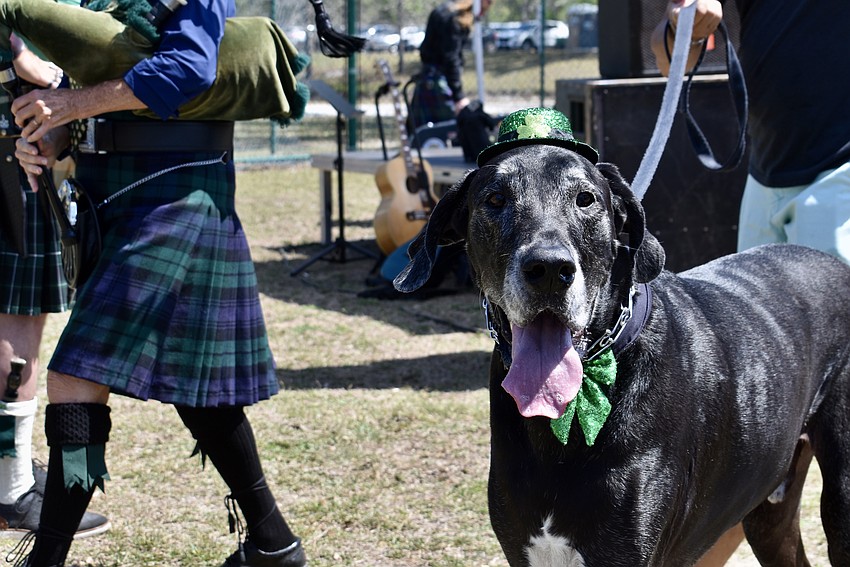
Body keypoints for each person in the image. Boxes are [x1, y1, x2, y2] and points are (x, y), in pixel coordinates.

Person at [10, 0, 307, 565]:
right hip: (117, 196)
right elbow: (104, 80)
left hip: (177, 195)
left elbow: (187, 67)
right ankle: (274, 544)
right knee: (200, 394)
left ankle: (46, 558)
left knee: (76, 379)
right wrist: (55, 134)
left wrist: (69, 103)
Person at [650, 0, 850, 563]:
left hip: (842, 180)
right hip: (765, 182)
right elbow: (670, 55)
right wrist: (682, 24)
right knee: (754, 422)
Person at [0, 33, 110, 539]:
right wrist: (21, 52)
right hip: (13, 152)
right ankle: (11, 488)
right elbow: (44, 74)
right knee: (16, 319)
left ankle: (12, 472)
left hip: (19, 145)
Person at [412, 0, 493, 127]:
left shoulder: (443, 10)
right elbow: (451, 58)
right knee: (449, 129)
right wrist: (458, 96)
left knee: (421, 132)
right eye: (489, 2)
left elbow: (426, 50)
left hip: (429, 76)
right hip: (438, 81)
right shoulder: (455, 19)